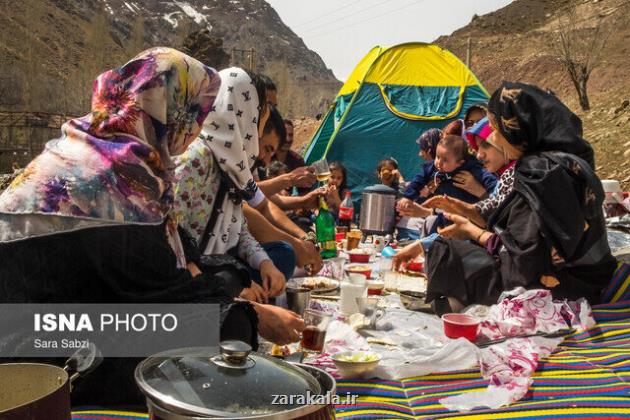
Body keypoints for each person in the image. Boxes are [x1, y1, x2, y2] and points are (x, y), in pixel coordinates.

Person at [0, 48, 304, 406]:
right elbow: (155, 289)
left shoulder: (92, 148)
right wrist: (250, 314)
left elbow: (149, 266)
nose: (194, 133)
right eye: (193, 116)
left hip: (52, 317)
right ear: (169, 110)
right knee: (228, 327)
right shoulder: (118, 175)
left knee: (225, 296)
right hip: (35, 346)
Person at [394, 82, 617, 314]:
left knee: (446, 251)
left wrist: (472, 232)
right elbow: (510, 227)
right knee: (451, 248)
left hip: (560, 288)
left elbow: (523, 259)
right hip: (584, 280)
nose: (495, 138)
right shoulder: (560, 163)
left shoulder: (540, 173)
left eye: (496, 130)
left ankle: (456, 303)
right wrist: (463, 210)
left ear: (518, 129)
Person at [173, 68, 291, 305]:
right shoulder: (197, 159)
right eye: (259, 119)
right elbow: (172, 240)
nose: (257, 131)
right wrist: (232, 289)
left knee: (278, 259)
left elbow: (238, 229)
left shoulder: (232, 166)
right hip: (187, 279)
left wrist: (264, 263)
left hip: (216, 270)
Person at [426, 117, 516, 227]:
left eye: (487, 144)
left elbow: (503, 219)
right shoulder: (500, 172)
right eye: (477, 148)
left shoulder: (518, 176)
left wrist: (479, 191)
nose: (479, 155)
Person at [397, 134, 497, 220]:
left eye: (445, 160)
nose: (439, 163)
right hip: (443, 213)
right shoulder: (433, 168)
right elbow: (418, 180)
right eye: (437, 156)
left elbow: (491, 182)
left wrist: (491, 193)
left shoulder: (473, 170)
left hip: (467, 215)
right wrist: (408, 197)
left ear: (459, 163)